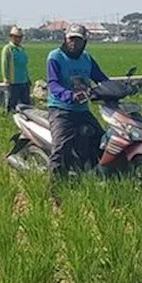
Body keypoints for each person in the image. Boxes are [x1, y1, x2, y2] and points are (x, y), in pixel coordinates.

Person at [45, 24, 109, 183]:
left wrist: (117, 88)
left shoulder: (86, 58)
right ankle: (55, 188)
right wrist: (69, 96)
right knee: (61, 148)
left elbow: (101, 78)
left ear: (84, 42)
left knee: (102, 142)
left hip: (82, 110)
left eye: (78, 40)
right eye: (71, 39)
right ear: (65, 39)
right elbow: (53, 84)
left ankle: (99, 176)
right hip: (61, 110)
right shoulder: (55, 57)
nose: (74, 43)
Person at [1, 26, 32, 112]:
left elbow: (24, 65)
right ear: (11, 37)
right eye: (16, 37)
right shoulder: (8, 49)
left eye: (20, 37)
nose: (19, 39)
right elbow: (4, 65)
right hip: (13, 82)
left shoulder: (22, 49)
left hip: (24, 81)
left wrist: (28, 78)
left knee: (26, 104)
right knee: (12, 103)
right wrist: (6, 79)